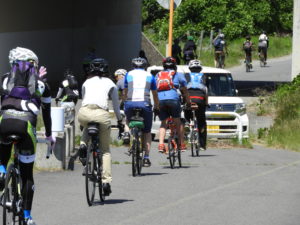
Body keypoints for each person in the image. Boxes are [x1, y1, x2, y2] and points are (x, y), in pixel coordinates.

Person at [0, 47, 56, 225]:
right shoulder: (42, 85)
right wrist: (49, 136)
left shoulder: (4, 79)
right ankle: (26, 215)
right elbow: (47, 114)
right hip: (26, 128)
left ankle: (1, 171)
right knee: (27, 175)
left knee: (2, 156)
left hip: (5, 123)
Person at [77, 58, 123, 196]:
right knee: (105, 151)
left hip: (84, 112)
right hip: (101, 114)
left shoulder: (86, 82)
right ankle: (106, 181)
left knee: (86, 126)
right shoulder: (110, 83)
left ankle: (83, 144)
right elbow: (115, 106)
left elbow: (84, 100)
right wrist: (120, 121)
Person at [123, 57, 159, 167]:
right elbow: (154, 94)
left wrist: (124, 102)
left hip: (130, 103)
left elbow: (125, 91)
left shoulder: (128, 75)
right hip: (145, 103)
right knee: (147, 132)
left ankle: (126, 134)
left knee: (127, 120)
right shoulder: (150, 76)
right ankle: (146, 158)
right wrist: (157, 106)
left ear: (133, 65)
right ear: (145, 66)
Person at [155, 57, 191, 153]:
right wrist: (188, 102)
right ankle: (181, 144)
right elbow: (185, 91)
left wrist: (155, 104)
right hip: (173, 99)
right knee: (178, 122)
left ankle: (161, 144)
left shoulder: (158, 75)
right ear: (175, 66)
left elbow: (154, 89)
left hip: (160, 100)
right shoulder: (178, 75)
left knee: (163, 123)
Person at [184, 59, 208, 151]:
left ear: (190, 68)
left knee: (187, 110)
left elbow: (183, 89)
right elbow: (206, 91)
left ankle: (187, 122)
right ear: (200, 69)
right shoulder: (204, 76)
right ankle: (202, 145)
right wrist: (206, 103)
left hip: (189, 98)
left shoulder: (186, 75)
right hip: (200, 99)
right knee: (201, 122)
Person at [114, 69, 130, 144]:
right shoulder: (130, 79)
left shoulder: (119, 82)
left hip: (125, 102)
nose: (116, 78)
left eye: (116, 76)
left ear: (121, 75)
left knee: (120, 115)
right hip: (136, 101)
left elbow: (115, 94)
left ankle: (121, 130)